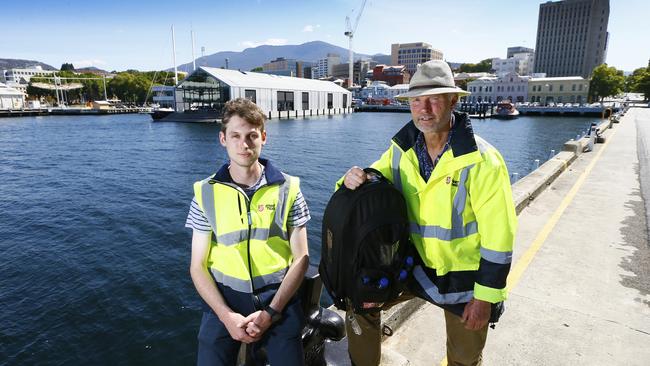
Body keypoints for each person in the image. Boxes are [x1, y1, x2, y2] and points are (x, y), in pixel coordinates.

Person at [341, 60, 517, 366]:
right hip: (415, 267)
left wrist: (485, 297)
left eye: (434, 99)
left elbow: (499, 238)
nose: (424, 108)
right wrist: (349, 180)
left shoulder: (483, 161)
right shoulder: (401, 151)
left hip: (466, 279)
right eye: (417, 100)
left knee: (464, 358)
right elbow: (369, 181)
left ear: (453, 101)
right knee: (360, 300)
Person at [186, 98, 310, 366]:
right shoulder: (204, 192)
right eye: (236, 136)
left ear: (263, 137)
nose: (244, 144)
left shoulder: (289, 188)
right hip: (224, 299)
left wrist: (271, 312)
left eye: (252, 136)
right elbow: (197, 266)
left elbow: (302, 259)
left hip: (278, 299)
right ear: (223, 139)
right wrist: (225, 315)